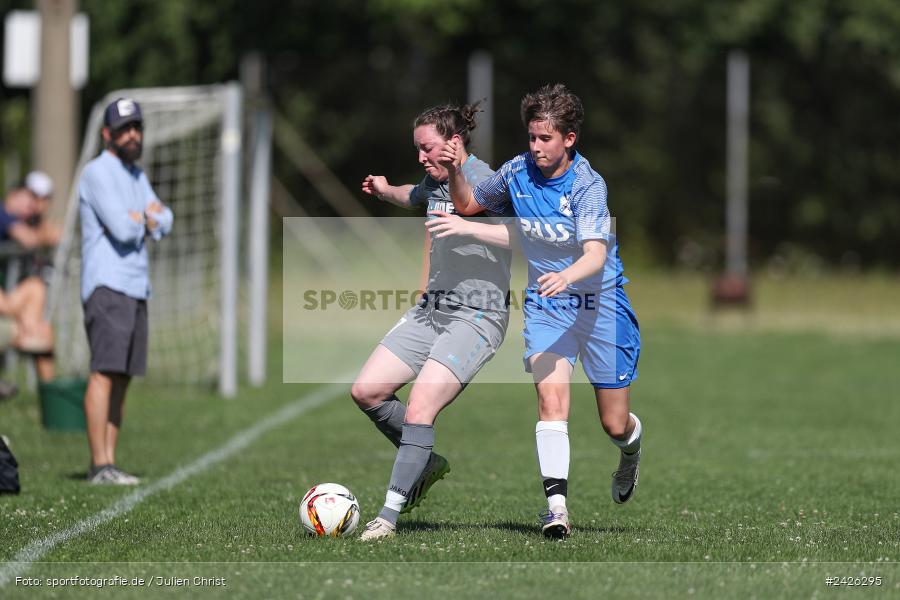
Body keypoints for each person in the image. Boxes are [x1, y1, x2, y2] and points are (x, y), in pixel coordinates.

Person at [441, 83, 643, 538]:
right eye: (531, 137)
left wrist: (567, 277)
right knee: (551, 401)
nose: (535, 147)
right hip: (548, 306)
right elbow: (469, 205)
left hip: (600, 306)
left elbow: (594, 253)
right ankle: (556, 510)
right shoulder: (516, 171)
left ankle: (630, 452)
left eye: (544, 139)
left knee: (614, 423)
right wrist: (456, 170)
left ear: (569, 139)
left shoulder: (589, 185)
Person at [352, 102, 514, 540]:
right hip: (432, 311)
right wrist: (385, 190)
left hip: (477, 316)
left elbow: (521, 233)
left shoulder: (491, 183)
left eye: (427, 149)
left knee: (421, 406)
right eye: (418, 150)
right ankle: (425, 460)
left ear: (454, 144)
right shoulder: (433, 179)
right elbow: (414, 193)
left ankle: (387, 516)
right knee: (366, 390)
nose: (421, 158)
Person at [78, 97, 173, 485]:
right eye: (124, 129)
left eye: (136, 127)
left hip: (135, 286)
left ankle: (110, 462)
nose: (132, 134)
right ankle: (99, 463)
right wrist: (144, 219)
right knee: (104, 372)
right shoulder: (97, 172)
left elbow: (163, 218)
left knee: (123, 377)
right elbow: (122, 227)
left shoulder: (136, 175)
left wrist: (145, 218)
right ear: (107, 134)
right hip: (108, 285)